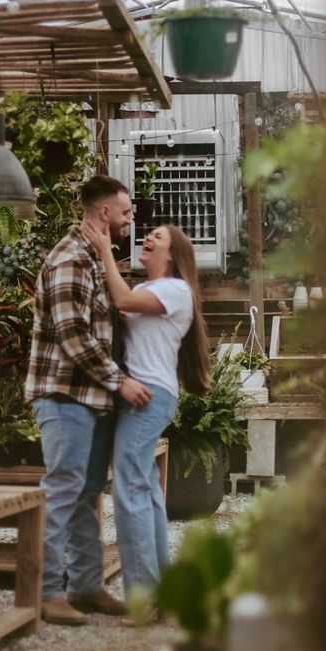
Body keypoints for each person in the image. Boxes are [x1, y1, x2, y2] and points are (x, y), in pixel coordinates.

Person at [25, 175, 152, 626]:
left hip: (89, 399)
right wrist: (120, 382)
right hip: (64, 397)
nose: (129, 218)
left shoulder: (95, 259)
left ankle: (85, 586)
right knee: (62, 493)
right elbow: (73, 334)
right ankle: (45, 593)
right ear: (103, 212)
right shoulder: (69, 258)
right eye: (125, 211)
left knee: (84, 495)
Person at [80, 218, 210, 617]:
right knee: (147, 491)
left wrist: (104, 248)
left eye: (158, 237)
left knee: (130, 490)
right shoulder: (147, 288)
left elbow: (121, 301)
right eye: (149, 233)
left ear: (174, 255)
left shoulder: (176, 290)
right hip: (146, 396)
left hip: (149, 396)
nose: (148, 237)